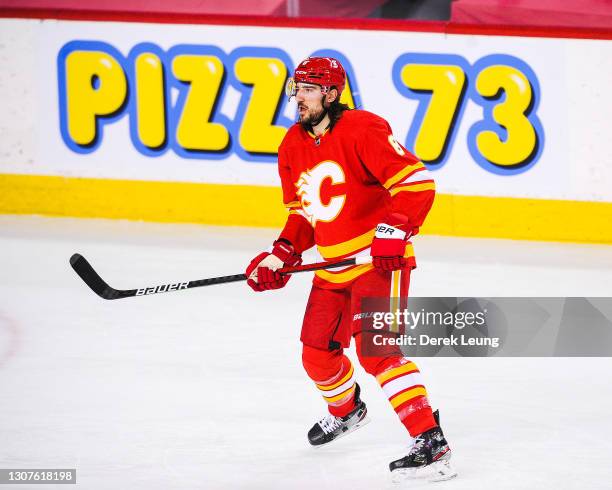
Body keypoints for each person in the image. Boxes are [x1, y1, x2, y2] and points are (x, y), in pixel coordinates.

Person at [245, 56, 456, 482]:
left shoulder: (363, 129)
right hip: (332, 267)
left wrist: (394, 230)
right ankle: (347, 411)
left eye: (307, 89)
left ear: (331, 93)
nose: (298, 97)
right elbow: (304, 216)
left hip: (376, 262)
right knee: (315, 354)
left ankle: (431, 442)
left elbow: (416, 184)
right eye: (296, 88)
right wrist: (281, 253)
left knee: (378, 352)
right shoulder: (292, 145)